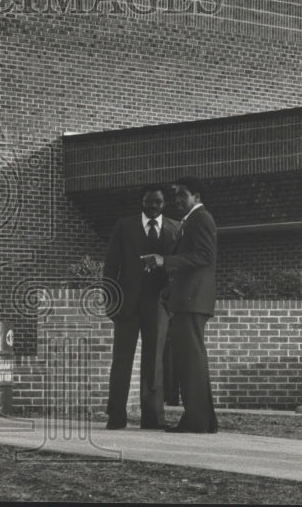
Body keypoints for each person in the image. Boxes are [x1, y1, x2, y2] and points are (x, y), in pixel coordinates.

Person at [142, 176, 219, 434]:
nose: (177, 201)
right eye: (175, 196)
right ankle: (204, 421)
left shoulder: (201, 219)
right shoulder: (192, 221)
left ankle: (196, 421)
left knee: (191, 362)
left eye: (182, 196)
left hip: (192, 301)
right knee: (192, 361)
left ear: (196, 197)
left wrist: (166, 261)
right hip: (187, 300)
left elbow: (205, 256)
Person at [103, 185, 180, 429]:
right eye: (148, 202)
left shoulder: (175, 229)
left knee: (154, 361)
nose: (152, 207)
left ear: (163, 204)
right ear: (142, 203)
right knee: (121, 360)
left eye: (157, 203)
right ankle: (116, 416)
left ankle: (153, 418)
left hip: (158, 306)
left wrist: (172, 302)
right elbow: (110, 266)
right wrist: (111, 302)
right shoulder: (124, 227)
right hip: (127, 305)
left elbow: (179, 268)